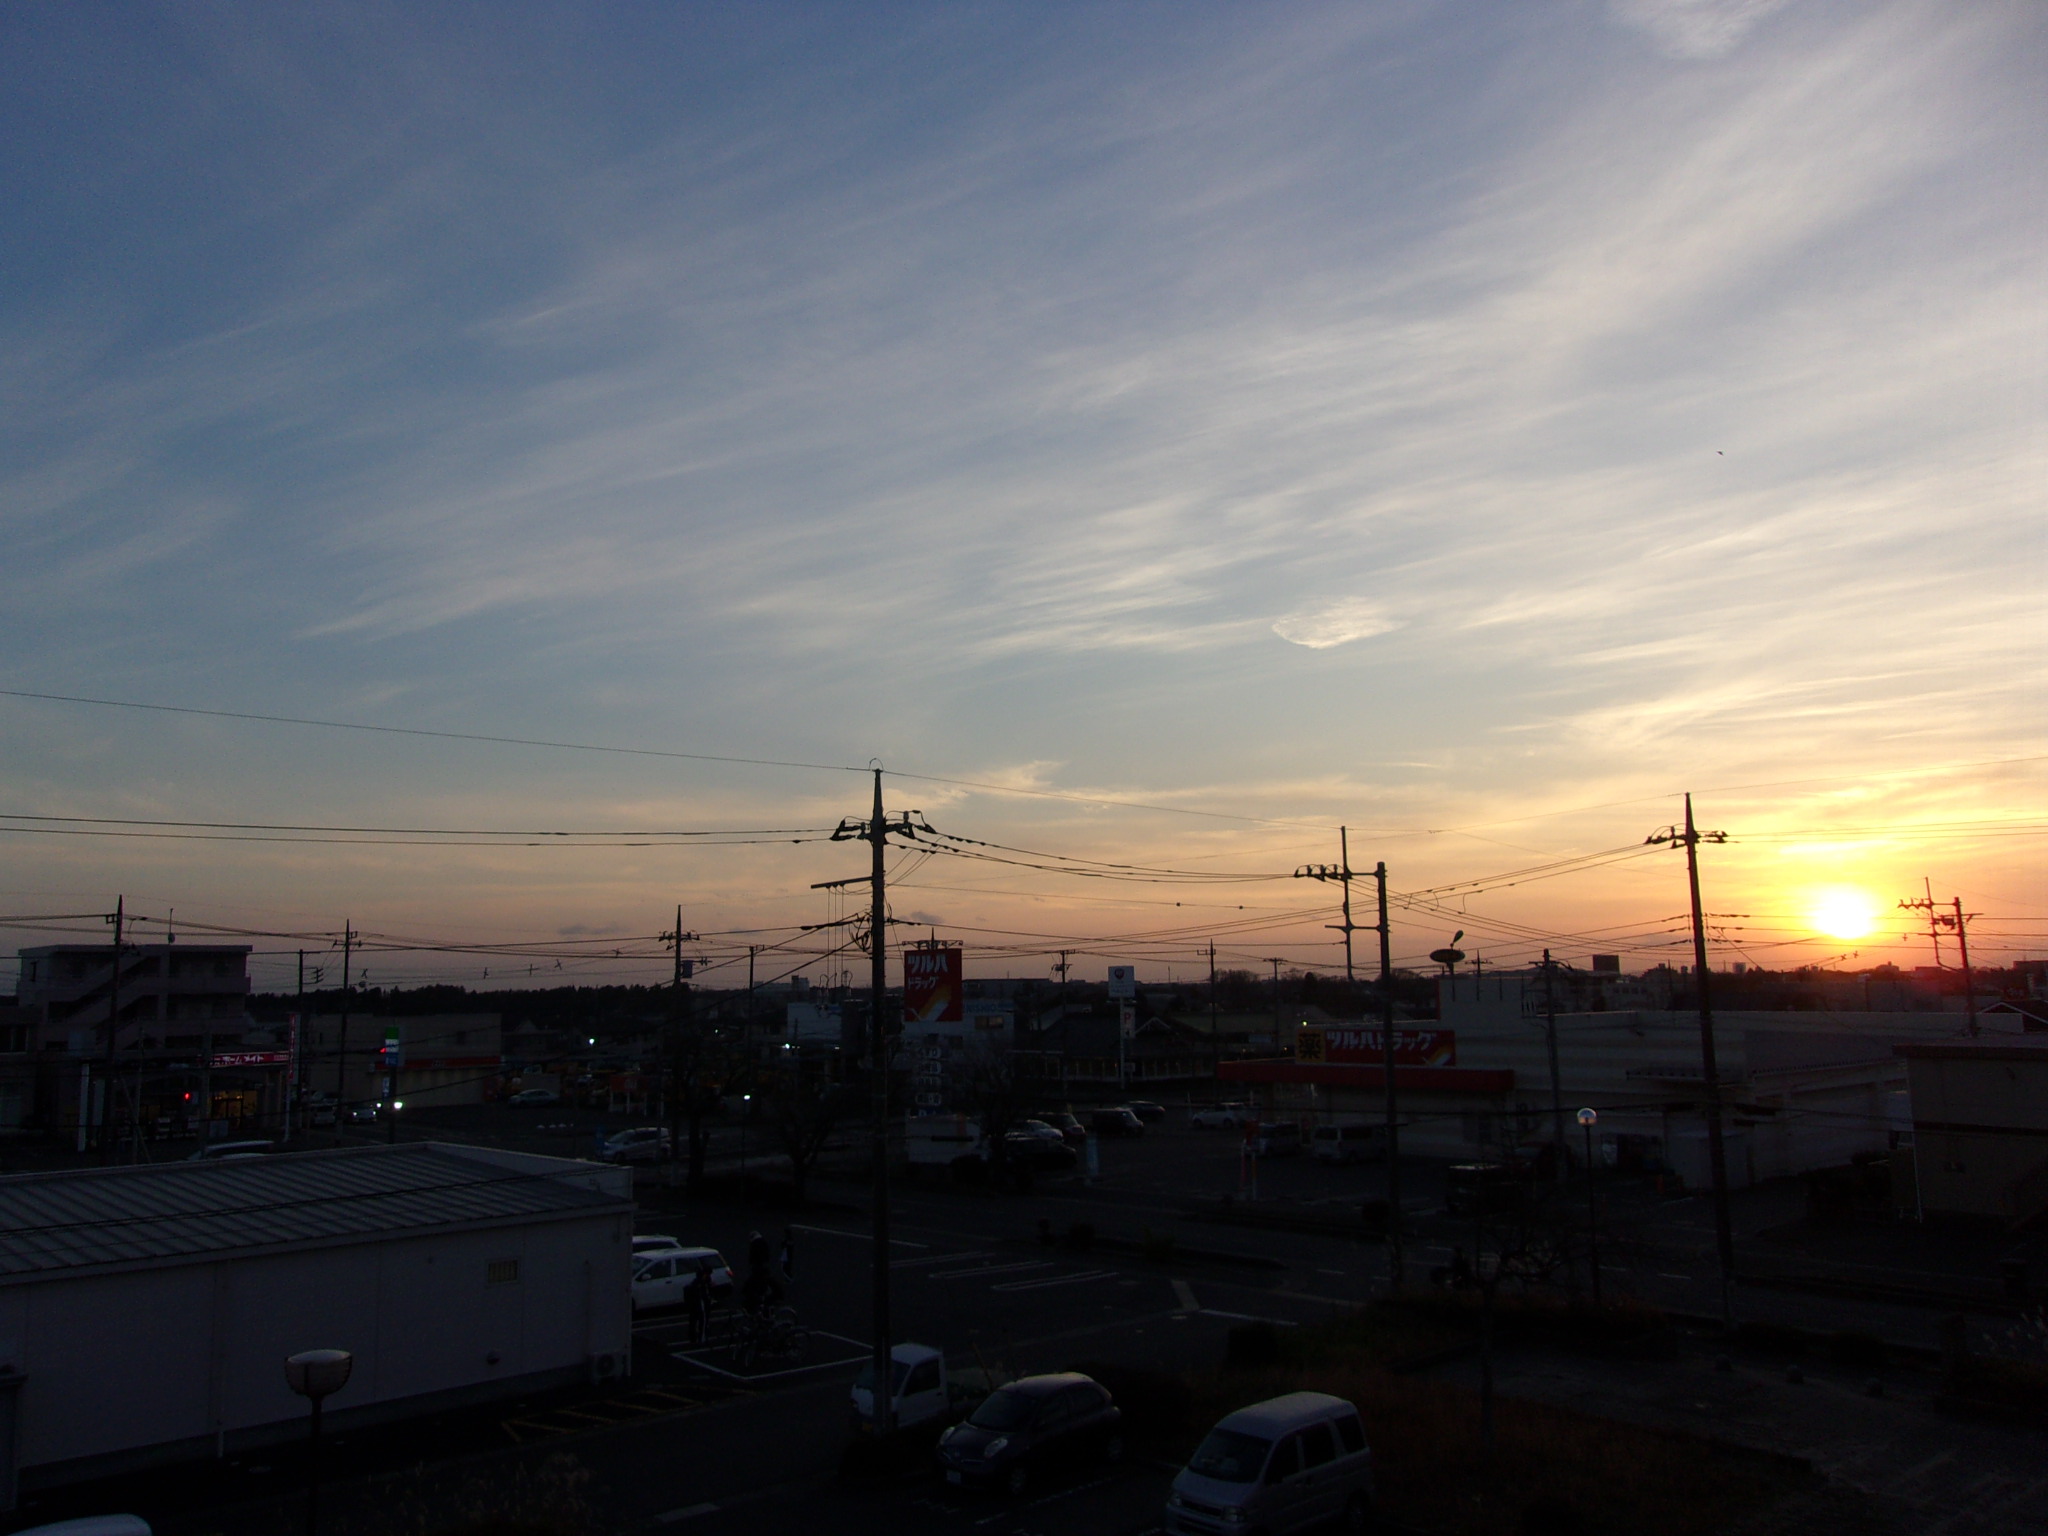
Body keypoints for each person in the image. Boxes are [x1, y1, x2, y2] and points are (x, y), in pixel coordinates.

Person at [688, 1255, 714, 1344]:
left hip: (696, 1304)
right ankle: (700, 1338)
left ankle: (694, 1338)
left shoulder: (697, 1282)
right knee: (702, 1321)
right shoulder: (700, 1283)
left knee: (694, 1321)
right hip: (700, 1303)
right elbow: (704, 1293)